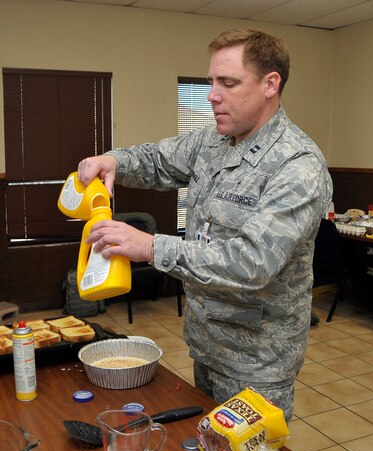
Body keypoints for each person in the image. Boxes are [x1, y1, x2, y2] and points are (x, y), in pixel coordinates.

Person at [77, 28, 333, 422]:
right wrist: (113, 161)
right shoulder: (214, 141)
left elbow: (252, 262)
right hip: (206, 345)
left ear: (270, 84)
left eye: (228, 83)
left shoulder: (297, 166)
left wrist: (150, 247)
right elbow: (158, 160)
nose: (212, 95)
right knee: (207, 448)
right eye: (211, 82)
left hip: (257, 365)